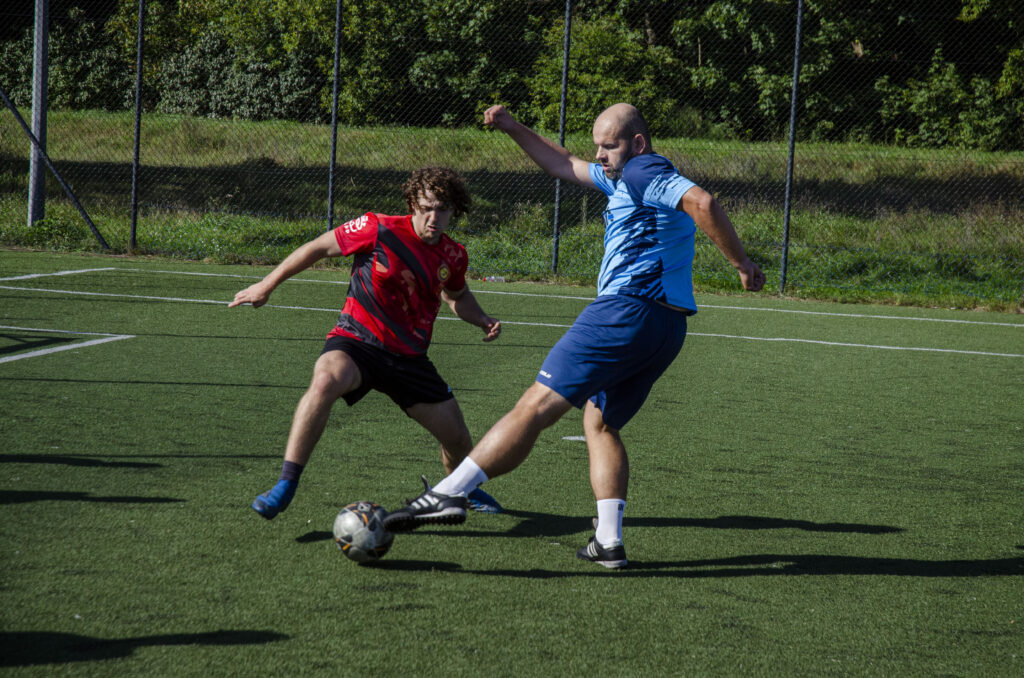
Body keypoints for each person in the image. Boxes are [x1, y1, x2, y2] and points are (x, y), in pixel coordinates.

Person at [383, 104, 766, 568]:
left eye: (610, 145)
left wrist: (741, 263)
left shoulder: (643, 169)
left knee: (535, 406)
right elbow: (562, 163)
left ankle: (450, 492)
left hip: (625, 311)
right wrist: (512, 127)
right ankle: (608, 541)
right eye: (598, 146)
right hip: (666, 328)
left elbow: (702, 202)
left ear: (638, 144)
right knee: (600, 424)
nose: (600, 155)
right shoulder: (623, 176)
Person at [229, 166, 504, 520]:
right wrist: (266, 285)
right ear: (412, 204)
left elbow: (457, 295)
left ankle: (461, 489)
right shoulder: (378, 228)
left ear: (455, 210)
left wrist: (481, 317)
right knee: (325, 380)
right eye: (426, 208)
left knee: (458, 440)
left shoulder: (453, 255)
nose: (434, 218)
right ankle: (286, 484)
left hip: (409, 359)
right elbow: (318, 247)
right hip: (357, 341)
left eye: (443, 209)